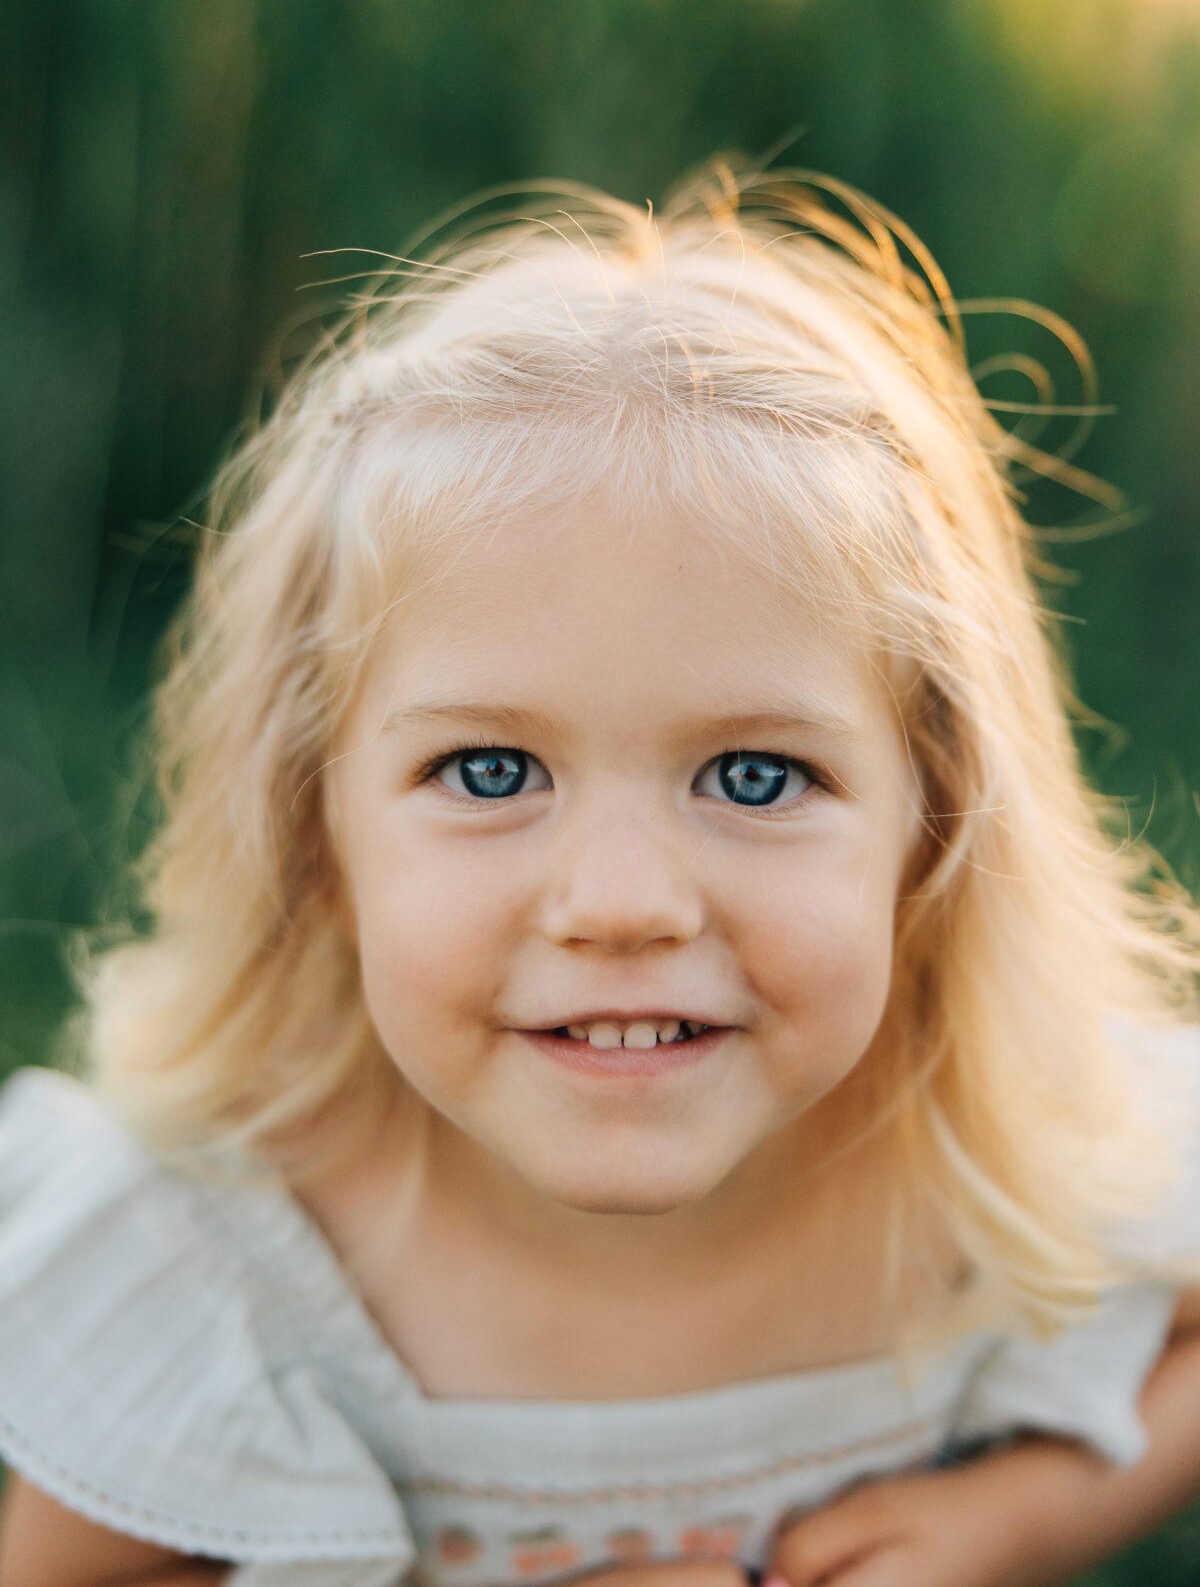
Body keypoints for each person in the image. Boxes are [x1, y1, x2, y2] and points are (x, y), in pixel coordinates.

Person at [3, 167, 1200, 1587]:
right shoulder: (212, 1265)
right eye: (492, 773)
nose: (625, 902)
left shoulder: (1014, 1156)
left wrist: (1018, 1518)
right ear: (314, 837)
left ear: (933, 828)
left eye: (755, 776)